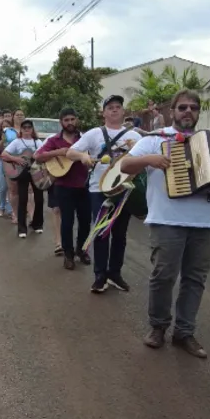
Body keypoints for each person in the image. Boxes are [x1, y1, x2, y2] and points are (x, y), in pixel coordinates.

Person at [120, 89, 210, 359]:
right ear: (171, 111)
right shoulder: (154, 140)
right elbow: (125, 165)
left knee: (195, 279)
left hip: (206, 222)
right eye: (182, 107)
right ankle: (158, 327)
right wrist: (149, 160)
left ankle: (184, 332)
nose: (188, 112)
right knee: (163, 276)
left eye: (193, 108)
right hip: (166, 220)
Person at [69, 96, 141, 288]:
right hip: (98, 189)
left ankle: (115, 273)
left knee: (120, 234)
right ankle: (100, 275)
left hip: (124, 190)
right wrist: (83, 155)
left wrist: (137, 151)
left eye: (118, 107)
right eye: (110, 107)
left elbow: (146, 159)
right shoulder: (94, 134)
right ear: (104, 113)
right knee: (101, 232)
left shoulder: (135, 137)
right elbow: (70, 153)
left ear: (123, 111)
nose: (115, 110)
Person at [38, 108, 92, 269]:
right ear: (61, 122)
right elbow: (38, 156)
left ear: (77, 120)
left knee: (85, 222)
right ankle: (68, 254)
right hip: (63, 186)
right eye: (66, 120)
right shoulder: (54, 140)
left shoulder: (85, 139)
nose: (70, 123)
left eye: (72, 119)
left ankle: (82, 250)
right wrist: (60, 152)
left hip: (84, 185)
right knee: (67, 222)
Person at [1, 119, 44, 238]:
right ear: (21, 129)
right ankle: (22, 228)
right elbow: (4, 154)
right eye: (24, 127)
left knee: (39, 199)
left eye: (29, 127)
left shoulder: (38, 142)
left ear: (32, 129)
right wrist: (16, 159)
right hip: (23, 172)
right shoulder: (17, 142)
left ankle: (37, 224)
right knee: (23, 199)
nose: (27, 129)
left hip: (36, 172)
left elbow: (44, 154)